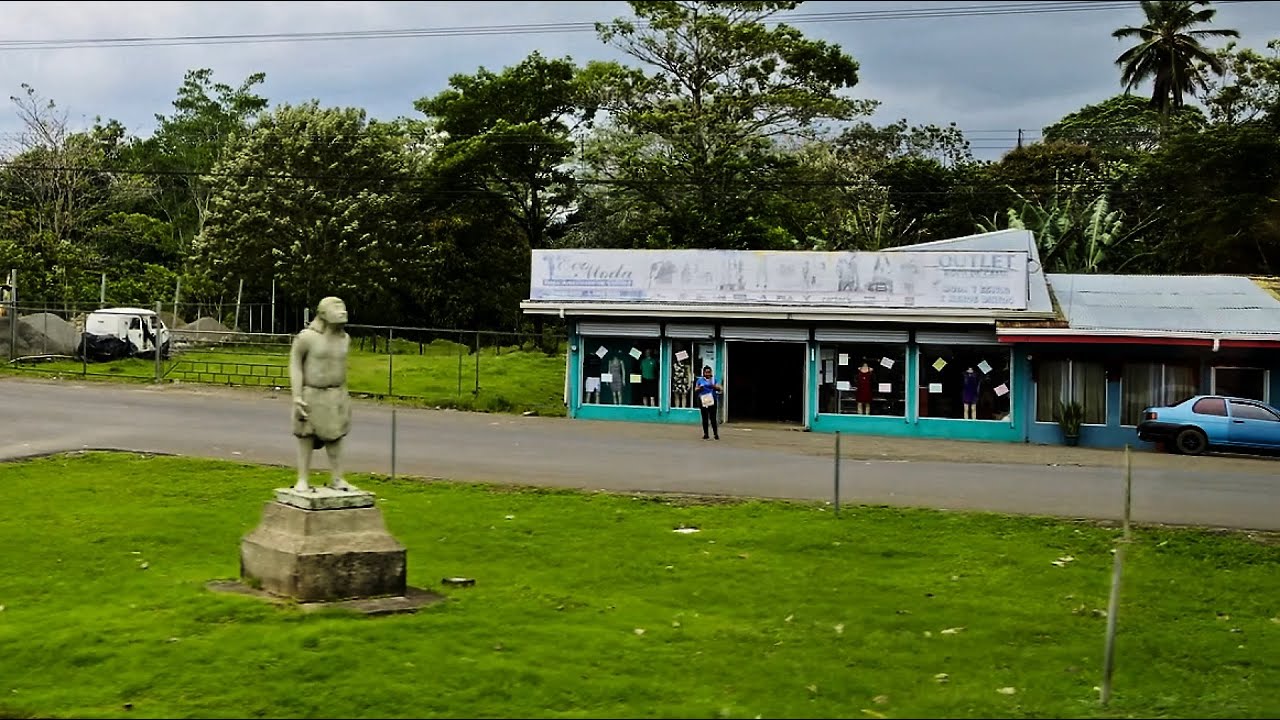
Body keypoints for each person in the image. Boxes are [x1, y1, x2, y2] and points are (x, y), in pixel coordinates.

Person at [290, 296, 358, 493]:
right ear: (322, 313)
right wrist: (296, 395)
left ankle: (337, 478)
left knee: (336, 437)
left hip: (336, 394)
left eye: (343, 306)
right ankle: (302, 479)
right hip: (312, 392)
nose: (342, 311)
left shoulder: (345, 339)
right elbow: (295, 365)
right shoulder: (307, 338)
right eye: (336, 307)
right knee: (306, 434)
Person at [694, 365, 722, 440]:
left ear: (711, 373)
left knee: (713, 418)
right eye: (706, 372)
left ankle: (715, 434)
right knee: (704, 418)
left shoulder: (714, 380)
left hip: (712, 400)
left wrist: (714, 387)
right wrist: (700, 388)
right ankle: (706, 434)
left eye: (709, 372)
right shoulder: (700, 380)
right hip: (703, 400)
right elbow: (696, 389)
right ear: (703, 373)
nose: (707, 374)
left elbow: (720, 389)